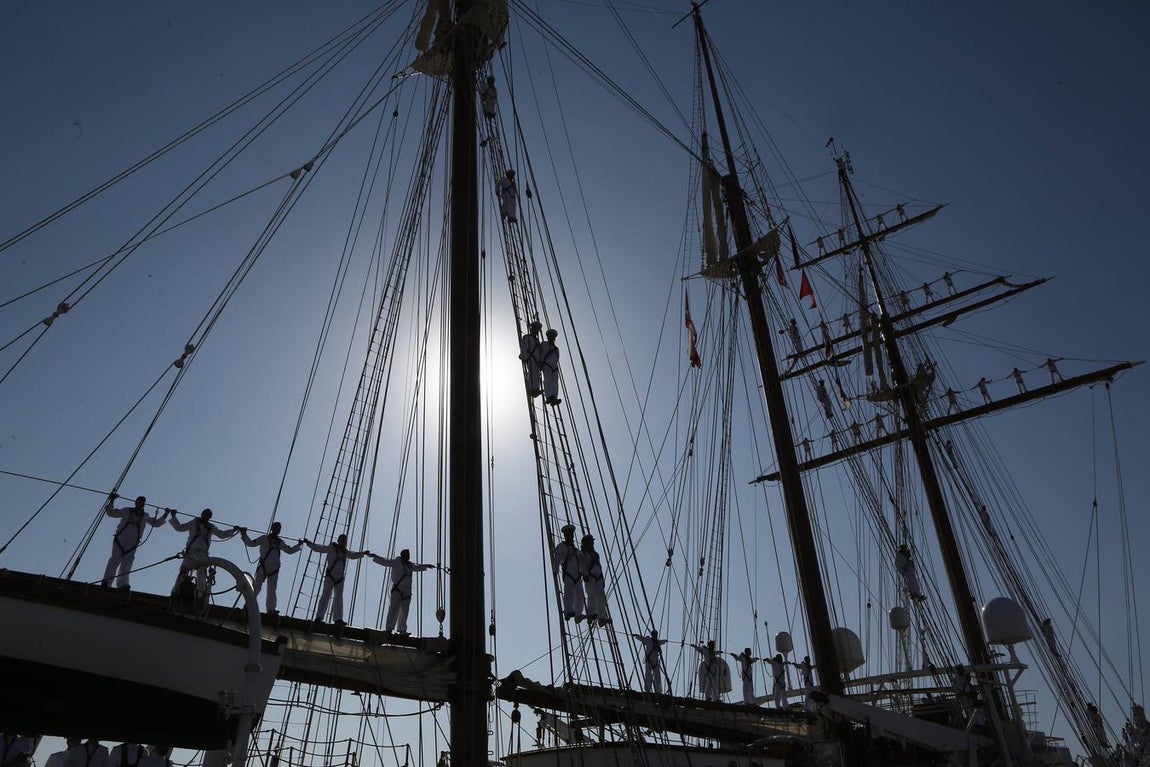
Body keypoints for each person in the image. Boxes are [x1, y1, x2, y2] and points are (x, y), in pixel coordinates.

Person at [170, 508, 240, 603]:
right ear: (202, 514)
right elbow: (180, 527)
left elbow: (221, 534)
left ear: (210, 517)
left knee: (201, 576)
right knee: (183, 573)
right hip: (191, 552)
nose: (206, 516)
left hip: (203, 554)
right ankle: (175, 593)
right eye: (205, 514)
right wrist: (173, 516)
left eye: (208, 515)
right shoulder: (194, 522)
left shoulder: (211, 527)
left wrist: (233, 530)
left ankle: (200, 597)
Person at [101, 494, 170, 589]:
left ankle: (122, 584)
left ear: (144, 504)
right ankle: (106, 582)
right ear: (135, 502)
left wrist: (165, 514)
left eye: (143, 502)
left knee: (127, 563)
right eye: (139, 501)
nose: (141, 504)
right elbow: (111, 513)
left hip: (133, 542)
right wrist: (112, 500)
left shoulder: (145, 516)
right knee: (114, 559)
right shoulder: (127, 511)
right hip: (121, 538)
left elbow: (156, 523)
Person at [305, 534, 369, 625]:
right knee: (326, 595)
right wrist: (309, 543)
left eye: (345, 541)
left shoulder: (345, 552)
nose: (344, 542)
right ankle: (319, 617)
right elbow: (318, 548)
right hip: (330, 576)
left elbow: (353, 555)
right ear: (338, 540)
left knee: (339, 598)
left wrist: (363, 553)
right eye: (342, 540)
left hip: (339, 578)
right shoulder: (332, 547)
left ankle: (338, 619)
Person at [240, 522, 303, 613]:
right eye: (277, 527)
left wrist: (298, 545)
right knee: (257, 587)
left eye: (279, 528)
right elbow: (250, 543)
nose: (278, 529)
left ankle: (271, 609)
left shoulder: (279, 541)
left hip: (274, 568)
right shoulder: (264, 538)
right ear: (273, 528)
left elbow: (289, 550)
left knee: (272, 590)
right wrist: (244, 534)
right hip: (264, 566)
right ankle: (248, 605)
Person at [371, 548, 434, 635]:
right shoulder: (396, 562)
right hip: (398, 589)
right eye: (407, 554)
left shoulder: (410, 565)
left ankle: (402, 629)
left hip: (407, 591)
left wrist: (426, 566)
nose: (408, 555)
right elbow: (385, 562)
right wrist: (376, 557)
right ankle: (389, 628)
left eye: (409, 554)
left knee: (404, 611)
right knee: (394, 608)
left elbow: (417, 568)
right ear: (402, 554)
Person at [552, 524, 584, 621]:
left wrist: (584, 572)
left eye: (571, 533)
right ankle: (568, 611)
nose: (570, 535)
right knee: (568, 592)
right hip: (568, 573)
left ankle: (578, 613)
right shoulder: (561, 546)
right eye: (568, 534)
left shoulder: (576, 549)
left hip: (577, 574)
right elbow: (557, 558)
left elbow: (581, 562)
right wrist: (555, 570)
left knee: (580, 595)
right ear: (565, 535)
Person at [579, 534, 611, 626]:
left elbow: (599, 567)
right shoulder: (582, 554)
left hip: (598, 578)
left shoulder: (596, 554)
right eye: (591, 542)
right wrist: (585, 574)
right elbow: (582, 566)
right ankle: (591, 614)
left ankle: (601, 617)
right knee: (592, 596)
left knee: (601, 597)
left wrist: (602, 579)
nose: (592, 543)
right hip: (590, 577)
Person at [632, 630, 667, 694]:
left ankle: (656, 690)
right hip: (650, 661)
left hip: (654, 661)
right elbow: (642, 638)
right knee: (649, 675)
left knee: (656, 676)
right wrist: (636, 635)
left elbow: (662, 641)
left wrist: (665, 641)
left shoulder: (655, 641)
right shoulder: (649, 640)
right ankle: (649, 689)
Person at [536, 329, 561, 406]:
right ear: (548, 337)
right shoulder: (544, 344)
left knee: (555, 382)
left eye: (553, 336)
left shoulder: (556, 348)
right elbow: (540, 353)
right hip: (546, 364)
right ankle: (549, 397)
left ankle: (554, 397)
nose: (552, 337)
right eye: (550, 336)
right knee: (548, 380)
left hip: (554, 366)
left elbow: (557, 358)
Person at [519, 320, 543, 397]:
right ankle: (533, 390)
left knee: (536, 374)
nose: (537, 331)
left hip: (536, 360)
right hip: (530, 358)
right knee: (533, 373)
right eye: (536, 329)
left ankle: (536, 389)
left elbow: (539, 352)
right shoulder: (527, 337)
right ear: (532, 328)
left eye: (538, 329)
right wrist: (524, 356)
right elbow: (524, 347)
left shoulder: (537, 341)